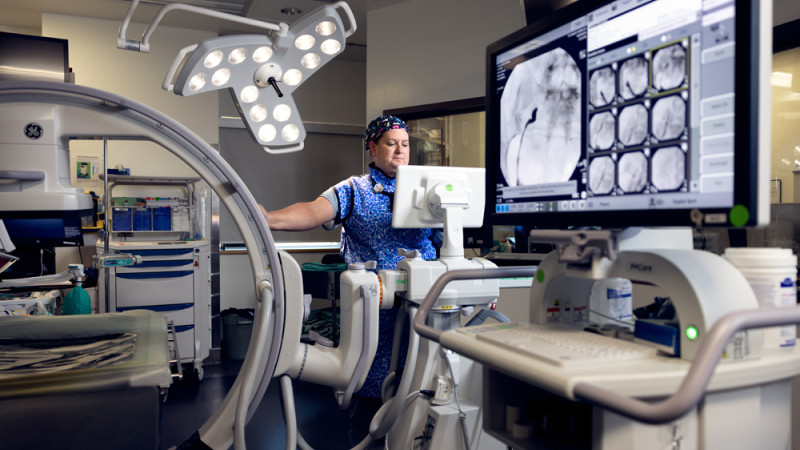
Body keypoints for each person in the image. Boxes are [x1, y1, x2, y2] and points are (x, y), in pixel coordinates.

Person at [260, 115, 438, 438]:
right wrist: (270, 218)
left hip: (421, 315)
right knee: (370, 413)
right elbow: (314, 211)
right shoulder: (355, 190)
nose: (400, 150)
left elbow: (443, 242)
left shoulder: (427, 190)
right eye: (391, 143)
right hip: (373, 317)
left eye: (405, 144)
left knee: (420, 408)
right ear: (373, 148)